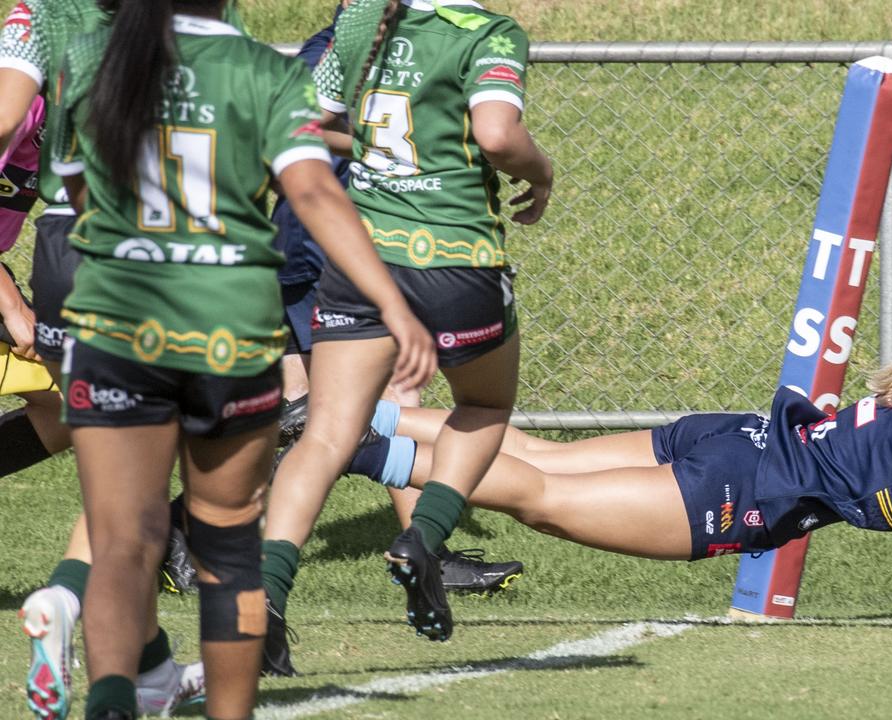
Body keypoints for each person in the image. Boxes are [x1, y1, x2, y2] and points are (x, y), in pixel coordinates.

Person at [48, 0, 434, 717]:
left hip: (117, 328)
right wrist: (394, 303)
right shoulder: (265, 71)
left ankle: (109, 701)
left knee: (121, 541)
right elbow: (314, 190)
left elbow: (79, 193)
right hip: (231, 334)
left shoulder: (89, 57)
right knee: (228, 552)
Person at [352, 312, 892, 594]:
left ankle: (345, 420)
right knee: (530, 491)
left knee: (537, 454)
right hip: (739, 488)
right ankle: (356, 450)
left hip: (736, 437)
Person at [261, 0, 553, 657]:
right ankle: (423, 538)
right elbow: (499, 135)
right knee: (483, 404)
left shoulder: (363, 22)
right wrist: (542, 172)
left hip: (363, 261)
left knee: (329, 434)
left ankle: (268, 595)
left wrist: (367, 146)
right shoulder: (487, 32)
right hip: (456, 257)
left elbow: (310, 123)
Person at [0, 1, 221, 716]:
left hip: (75, 250)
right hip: (141, 251)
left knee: (101, 445)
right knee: (138, 466)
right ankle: (67, 599)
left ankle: (150, 667)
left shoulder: (46, 17)